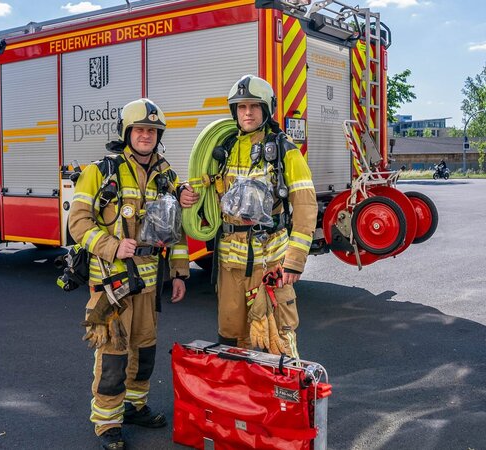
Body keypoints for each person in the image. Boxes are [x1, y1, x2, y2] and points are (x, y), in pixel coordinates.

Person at [69, 98, 189, 450]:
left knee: (145, 350)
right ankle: (107, 422)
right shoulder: (99, 171)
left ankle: (135, 406)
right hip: (112, 282)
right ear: (127, 132)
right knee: (113, 355)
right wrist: (110, 246)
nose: (146, 135)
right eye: (139, 129)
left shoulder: (167, 175)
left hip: (149, 282)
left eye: (152, 131)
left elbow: (176, 230)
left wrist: (179, 273)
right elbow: (77, 223)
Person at [179, 75, 317, 358]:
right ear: (234, 112)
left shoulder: (284, 150)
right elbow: (204, 187)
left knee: (276, 337)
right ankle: (239, 398)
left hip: (270, 263)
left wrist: (294, 261)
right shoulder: (225, 150)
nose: (248, 113)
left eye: (254, 106)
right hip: (230, 264)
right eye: (241, 107)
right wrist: (186, 192)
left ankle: (283, 398)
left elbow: (305, 205)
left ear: (266, 109)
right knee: (231, 337)